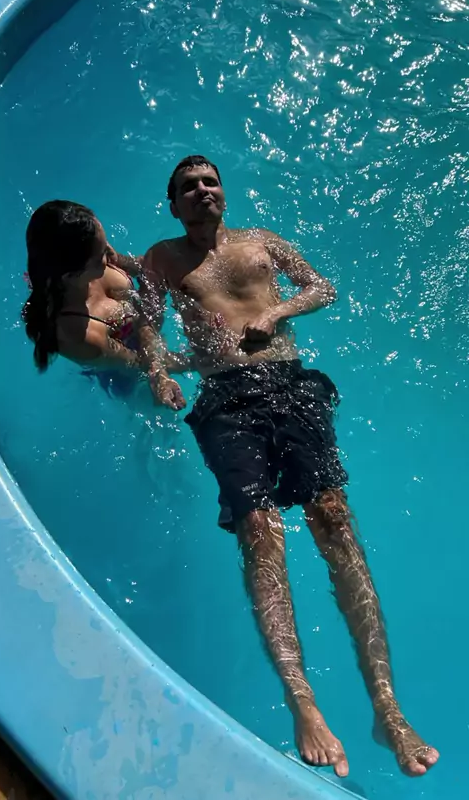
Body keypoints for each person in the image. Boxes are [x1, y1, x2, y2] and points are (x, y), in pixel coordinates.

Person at [134, 155, 439, 779]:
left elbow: (322, 288)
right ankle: (305, 703)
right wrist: (165, 372)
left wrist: (274, 315)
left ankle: (387, 708)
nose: (202, 191)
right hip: (225, 399)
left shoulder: (263, 242)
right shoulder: (161, 260)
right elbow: (148, 328)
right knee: (259, 531)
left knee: (334, 520)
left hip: (290, 383)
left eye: (210, 182)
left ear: (223, 193)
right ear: (173, 204)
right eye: (188, 187)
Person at [22, 200, 186, 386]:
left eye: (105, 243)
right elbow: (136, 365)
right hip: (127, 378)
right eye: (101, 254)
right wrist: (190, 362)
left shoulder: (91, 251)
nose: (109, 252)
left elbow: (145, 269)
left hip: (150, 338)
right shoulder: (79, 334)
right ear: (72, 275)